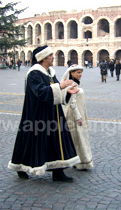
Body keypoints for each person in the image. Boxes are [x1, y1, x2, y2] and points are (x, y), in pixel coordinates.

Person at [8, 45, 80, 182]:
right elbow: (41, 92)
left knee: (56, 141)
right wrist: (61, 87)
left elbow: (57, 90)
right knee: (30, 141)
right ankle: (20, 167)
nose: (53, 57)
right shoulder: (34, 73)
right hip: (37, 114)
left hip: (53, 112)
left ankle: (58, 172)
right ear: (43, 58)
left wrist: (67, 92)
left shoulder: (50, 72)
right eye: (51, 55)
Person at [61, 65, 94, 170]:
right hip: (74, 115)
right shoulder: (71, 85)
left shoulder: (77, 84)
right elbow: (72, 103)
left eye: (81, 72)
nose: (81, 74)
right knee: (79, 138)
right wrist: (78, 117)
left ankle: (76, 160)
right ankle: (82, 161)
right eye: (78, 72)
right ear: (72, 73)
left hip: (80, 113)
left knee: (77, 138)